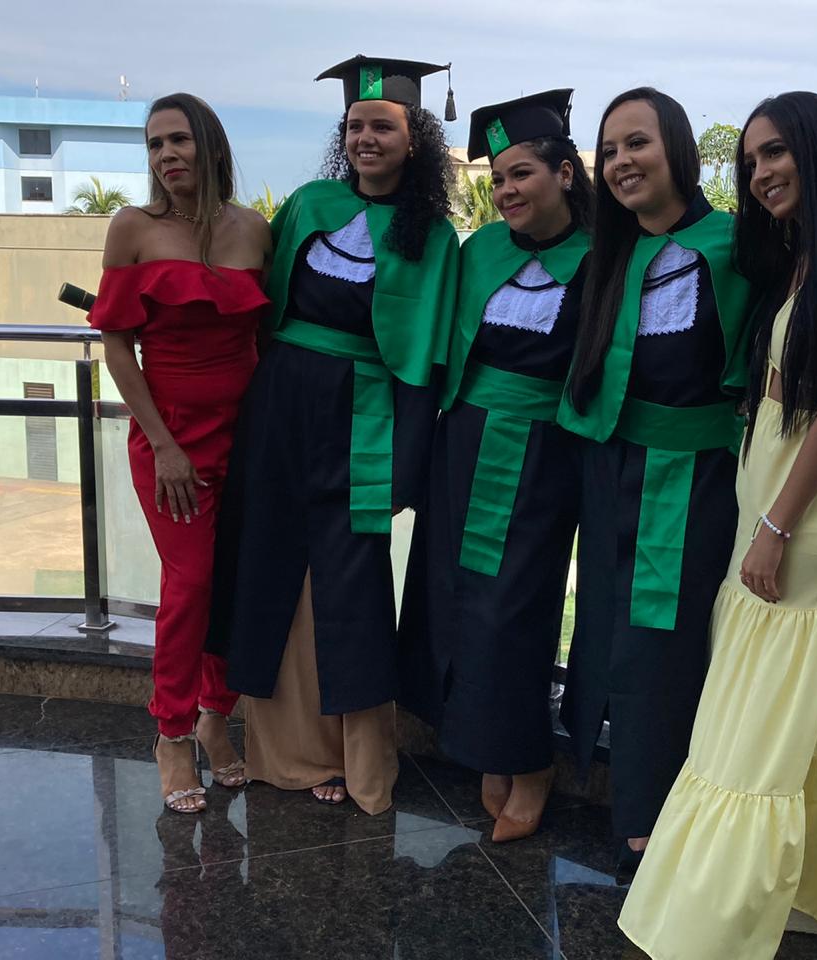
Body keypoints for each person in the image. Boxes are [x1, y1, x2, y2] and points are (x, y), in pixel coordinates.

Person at [618, 91, 817, 958]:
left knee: (748, 733)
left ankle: (709, 927)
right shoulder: (802, 255)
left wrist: (775, 530)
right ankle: (790, 900)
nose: (760, 173)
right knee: (784, 728)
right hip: (778, 501)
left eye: (775, 152)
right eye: (750, 161)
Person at [207, 56, 459, 814]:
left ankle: (360, 761)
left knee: (352, 584)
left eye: (382, 125)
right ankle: (283, 754)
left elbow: (426, 363)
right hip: (281, 405)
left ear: (414, 139)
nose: (364, 138)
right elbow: (262, 309)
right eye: (354, 125)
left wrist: (408, 466)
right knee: (270, 564)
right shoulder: (308, 205)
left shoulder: (433, 236)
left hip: (366, 418)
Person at [556, 88, 751, 875]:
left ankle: (656, 818)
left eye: (637, 143)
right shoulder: (609, 252)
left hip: (691, 475)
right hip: (609, 468)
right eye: (608, 151)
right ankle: (630, 803)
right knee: (606, 631)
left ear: (677, 147)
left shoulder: (736, 245)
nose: (620, 162)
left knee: (662, 644)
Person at [397, 90, 594, 842]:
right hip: (464, 442)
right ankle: (484, 748)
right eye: (500, 178)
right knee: (456, 600)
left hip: (544, 452)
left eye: (522, 175)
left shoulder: (601, 260)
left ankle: (529, 762)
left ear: (565, 174)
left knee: (517, 610)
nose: (507, 190)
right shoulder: (479, 250)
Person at [88, 93, 271, 813]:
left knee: (234, 582)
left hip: (246, 436)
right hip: (171, 442)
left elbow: (266, 338)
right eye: (155, 144)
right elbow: (116, 344)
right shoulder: (132, 227)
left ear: (211, 146)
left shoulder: (254, 229)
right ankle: (170, 732)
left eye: (179, 140)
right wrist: (163, 443)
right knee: (190, 583)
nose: (166, 155)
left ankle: (214, 719)